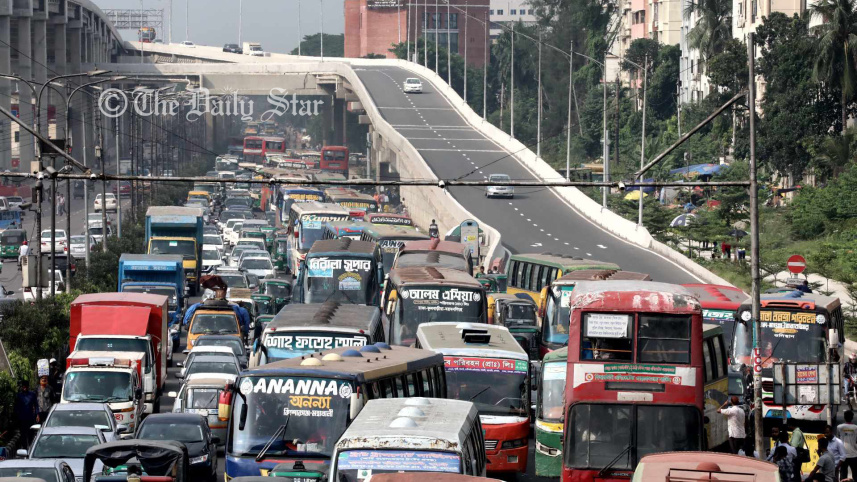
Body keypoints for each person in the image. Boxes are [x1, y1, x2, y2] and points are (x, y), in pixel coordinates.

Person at [14, 380, 38, 447]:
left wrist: (37, 414)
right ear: (22, 387)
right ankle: (24, 448)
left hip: (30, 418)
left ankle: (30, 448)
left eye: (26, 387)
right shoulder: (19, 396)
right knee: (23, 435)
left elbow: (36, 405)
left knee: (31, 434)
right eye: (23, 387)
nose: (24, 388)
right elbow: (16, 407)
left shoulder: (32, 395)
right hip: (22, 419)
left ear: (28, 387)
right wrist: (16, 416)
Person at [839, 410, 857, 480]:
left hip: (843, 454)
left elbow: (838, 439)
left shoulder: (839, 427)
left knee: (843, 475)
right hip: (854, 454)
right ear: (852, 417)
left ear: (844, 417)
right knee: (855, 475)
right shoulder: (856, 428)